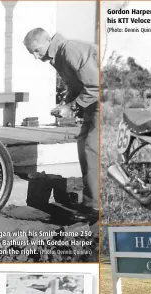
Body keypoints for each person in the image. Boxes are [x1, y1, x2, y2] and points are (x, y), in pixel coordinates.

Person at [23, 28, 100, 220]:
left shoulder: (70, 50)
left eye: (36, 50)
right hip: (93, 103)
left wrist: (72, 108)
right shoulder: (59, 55)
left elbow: (96, 86)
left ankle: (96, 208)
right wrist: (65, 103)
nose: (35, 56)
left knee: (92, 149)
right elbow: (76, 85)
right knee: (85, 146)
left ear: (47, 41)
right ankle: (92, 202)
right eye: (31, 52)